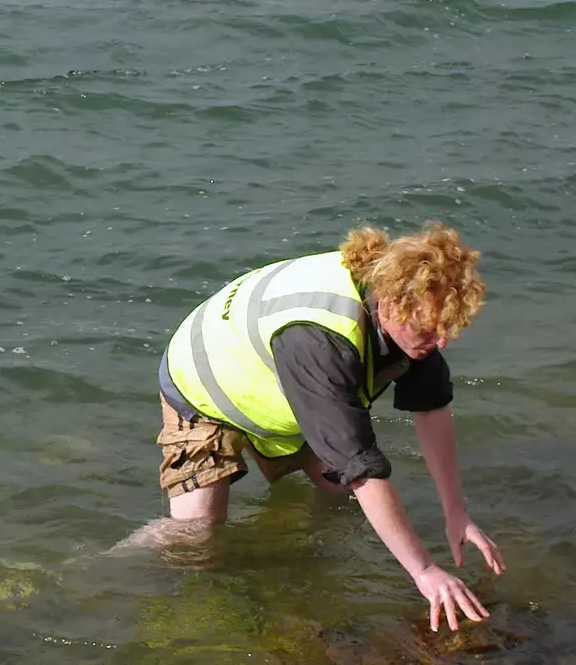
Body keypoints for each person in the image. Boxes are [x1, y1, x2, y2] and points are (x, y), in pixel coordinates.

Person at [146, 221, 505, 632]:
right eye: (430, 328)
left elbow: (432, 410)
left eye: (447, 328)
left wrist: (456, 512)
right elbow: (361, 468)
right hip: (204, 383)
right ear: (390, 306)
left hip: (278, 381)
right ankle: (107, 567)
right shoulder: (322, 342)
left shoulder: (410, 321)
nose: (441, 341)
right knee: (197, 538)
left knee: (337, 493)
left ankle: (300, 548)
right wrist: (424, 572)